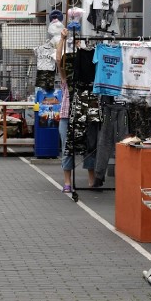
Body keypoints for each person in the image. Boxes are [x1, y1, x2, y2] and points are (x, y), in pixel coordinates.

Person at [57, 28, 95, 192]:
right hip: (67, 116)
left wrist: (81, 47)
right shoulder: (66, 79)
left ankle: (91, 180)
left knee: (90, 146)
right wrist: (62, 40)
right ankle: (67, 182)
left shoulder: (88, 78)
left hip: (86, 115)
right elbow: (59, 60)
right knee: (67, 148)